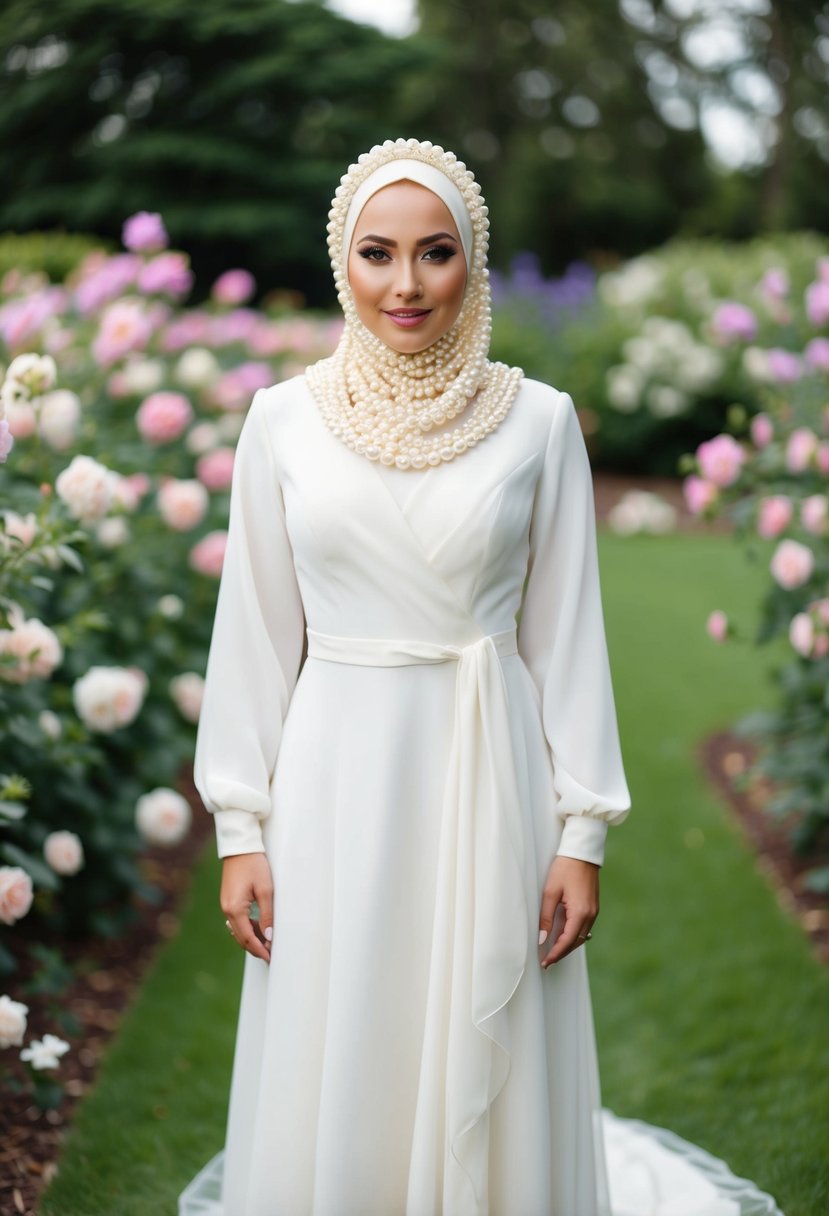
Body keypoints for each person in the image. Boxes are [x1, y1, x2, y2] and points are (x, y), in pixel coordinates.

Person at [177, 139, 785, 1216]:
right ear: (341, 260)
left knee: (484, 1036)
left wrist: (580, 833)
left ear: (475, 261)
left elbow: (566, 643)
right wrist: (239, 828)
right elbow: (256, 638)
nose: (405, 284)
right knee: (347, 1027)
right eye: (376, 253)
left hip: (491, 773)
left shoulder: (540, 421)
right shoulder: (281, 419)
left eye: (435, 253)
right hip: (334, 782)